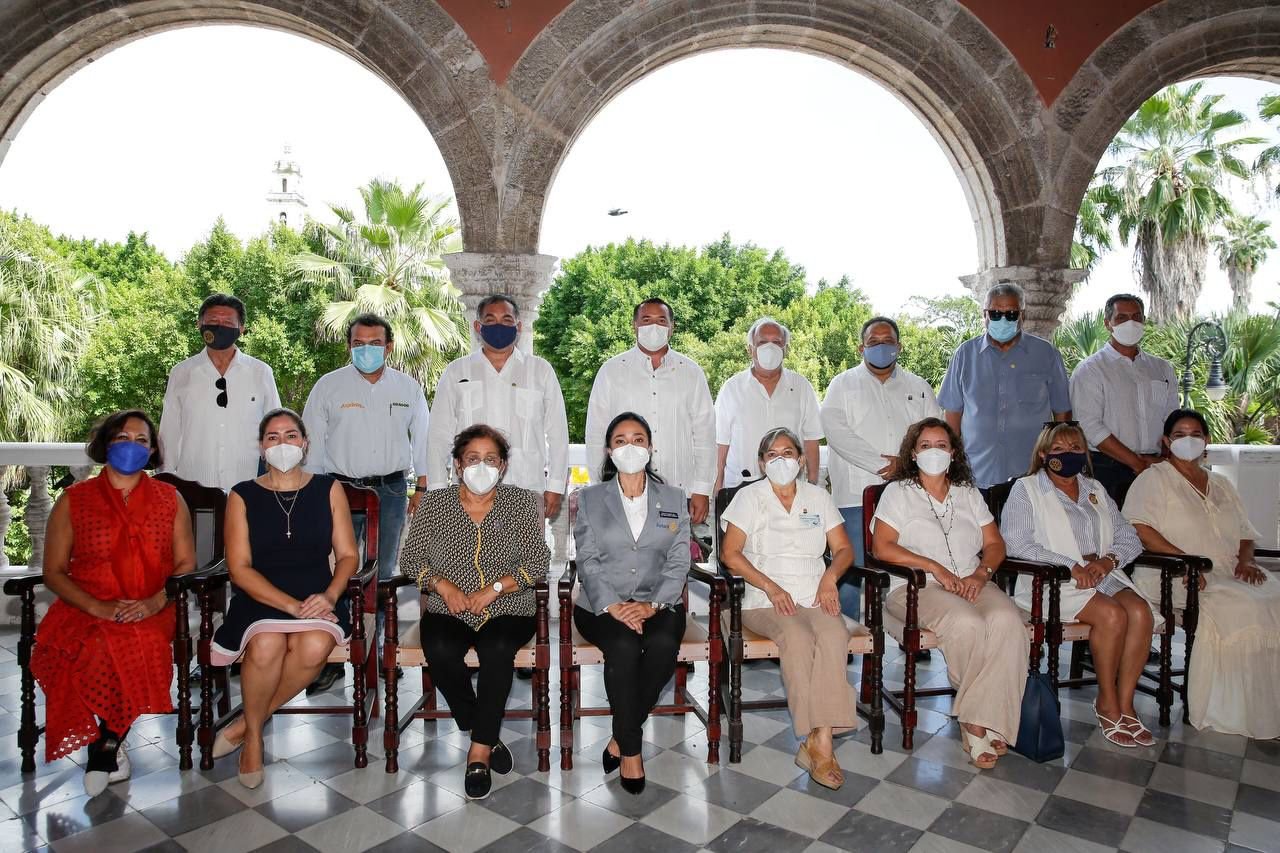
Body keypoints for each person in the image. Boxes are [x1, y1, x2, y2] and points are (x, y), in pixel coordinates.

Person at [31, 410, 195, 796]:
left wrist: (155, 601)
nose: (132, 446)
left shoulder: (170, 499)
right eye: (122, 437)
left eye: (141, 440)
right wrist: (97, 607)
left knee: (137, 641)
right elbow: (53, 571)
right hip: (85, 603)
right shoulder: (74, 500)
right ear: (106, 444)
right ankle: (109, 738)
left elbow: (186, 564)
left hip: (153, 605)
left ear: (152, 451)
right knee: (90, 644)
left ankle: (106, 743)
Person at [207, 409, 360, 788]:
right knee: (266, 645)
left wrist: (330, 595)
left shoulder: (328, 488)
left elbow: (347, 555)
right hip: (259, 596)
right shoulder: (242, 495)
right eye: (272, 437)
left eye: (291, 435)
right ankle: (254, 741)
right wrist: (291, 607)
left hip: (318, 593)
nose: (282, 443)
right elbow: (239, 568)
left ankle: (247, 725)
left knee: (314, 645)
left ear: (305, 444)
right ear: (261, 447)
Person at [399, 424, 550, 800]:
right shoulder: (435, 504)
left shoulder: (520, 502)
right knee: (439, 648)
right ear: (457, 464)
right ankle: (485, 730)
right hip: (448, 607)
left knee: (497, 649)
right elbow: (410, 560)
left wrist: (496, 588)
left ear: (503, 466)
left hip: (509, 607)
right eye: (472, 459)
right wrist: (441, 585)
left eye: (490, 459)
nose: (481, 467)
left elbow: (538, 561)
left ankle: (478, 751)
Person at [871, 417, 1024, 769]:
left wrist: (982, 574)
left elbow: (995, 544)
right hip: (916, 587)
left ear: (953, 453)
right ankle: (976, 723)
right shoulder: (899, 492)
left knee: (1008, 621)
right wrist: (933, 567)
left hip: (972, 580)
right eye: (925, 446)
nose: (934, 452)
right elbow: (882, 547)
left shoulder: (967, 493)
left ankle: (988, 713)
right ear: (913, 453)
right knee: (967, 623)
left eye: (941, 445)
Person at [1123, 409, 1280, 739]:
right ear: (1166, 442)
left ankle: (1268, 704)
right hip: (1172, 574)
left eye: (1196, 434)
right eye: (1180, 435)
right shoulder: (1153, 479)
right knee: (1242, 606)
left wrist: (1247, 561)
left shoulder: (1221, 483)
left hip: (1227, 571)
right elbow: (1140, 529)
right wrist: (1186, 561)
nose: (1189, 441)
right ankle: (1234, 709)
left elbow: (1245, 533)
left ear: (1207, 440)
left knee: (1273, 597)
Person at [1000, 422, 1155, 747]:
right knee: (1112, 614)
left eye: (1075, 448)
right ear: (1043, 455)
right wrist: (1070, 565)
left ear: (1085, 454)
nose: (1068, 455)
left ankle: (1126, 704)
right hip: (1051, 581)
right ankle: (1107, 702)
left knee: (1141, 612)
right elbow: (1016, 543)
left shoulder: (1095, 489)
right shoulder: (1027, 489)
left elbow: (1129, 536)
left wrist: (1108, 561)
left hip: (1101, 574)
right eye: (1058, 449)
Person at [718, 428, 857, 789]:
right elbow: (730, 554)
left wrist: (830, 578)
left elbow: (844, 549)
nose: (781, 460)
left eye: (788, 453)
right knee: (796, 637)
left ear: (801, 459)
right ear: (762, 463)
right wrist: (771, 586)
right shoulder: (749, 498)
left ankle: (819, 739)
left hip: (814, 593)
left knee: (834, 634)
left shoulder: (818, 497)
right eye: (772, 454)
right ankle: (819, 742)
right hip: (763, 596)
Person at [302, 312, 430, 690]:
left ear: (389, 347)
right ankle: (333, 653)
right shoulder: (328, 387)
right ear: (349, 346)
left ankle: (380, 651)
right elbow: (312, 444)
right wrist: (313, 496)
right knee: (335, 571)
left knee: (384, 572)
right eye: (359, 344)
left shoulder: (408, 389)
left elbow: (424, 440)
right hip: (337, 491)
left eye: (375, 344)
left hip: (391, 491)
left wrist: (422, 487)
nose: (367, 350)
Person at [574, 412, 690, 794]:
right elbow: (586, 560)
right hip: (600, 605)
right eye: (620, 441)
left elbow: (679, 561)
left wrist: (653, 605)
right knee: (623, 646)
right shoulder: (590, 499)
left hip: (660, 602)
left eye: (638, 439)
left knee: (663, 644)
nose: (630, 447)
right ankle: (631, 752)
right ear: (609, 451)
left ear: (650, 448)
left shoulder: (673, 498)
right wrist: (613, 605)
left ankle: (619, 736)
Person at [821, 316, 940, 619]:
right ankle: (844, 633)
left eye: (888, 341)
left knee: (910, 566)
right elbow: (836, 432)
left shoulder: (919, 386)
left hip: (909, 495)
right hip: (855, 497)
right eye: (874, 342)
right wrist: (882, 465)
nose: (881, 346)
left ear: (900, 346)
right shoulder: (842, 384)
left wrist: (906, 465)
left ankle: (910, 630)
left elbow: (935, 433)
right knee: (850, 570)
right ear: (861, 348)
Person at [427, 294, 569, 519]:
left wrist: (556, 486)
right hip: (469, 493)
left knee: (527, 544)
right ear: (478, 326)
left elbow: (558, 433)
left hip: (526, 488)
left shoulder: (540, 371)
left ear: (518, 326)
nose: (499, 326)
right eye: (490, 320)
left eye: (506, 320)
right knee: (470, 544)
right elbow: (438, 435)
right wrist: (437, 491)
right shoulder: (456, 371)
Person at [585, 298, 715, 525]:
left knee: (676, 548)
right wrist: (600, 488)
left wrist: (702, 489)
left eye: (661, 321)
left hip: (680, 491)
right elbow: (596, 433)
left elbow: (704, 434)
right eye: (646, 320)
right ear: (634, 325)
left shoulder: (691, 373)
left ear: (672, 327)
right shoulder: (611, 371)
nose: (654, 326)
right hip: (623, 491)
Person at [939, 283, 1072, 488]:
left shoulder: (1046, 354)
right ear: (985, 314)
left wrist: (1057, 460)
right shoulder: (965, 355)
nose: (1002, 320)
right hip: (975, 473)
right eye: (995, 314)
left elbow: (1062, 412)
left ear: (1022, 316)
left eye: (1011, 314)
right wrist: (952, 462)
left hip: (1032, 473)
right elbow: (953, 414)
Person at [158, 292, 281, 490]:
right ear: (199, 324)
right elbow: (169, 433)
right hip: (192, 487)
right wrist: (165, 482)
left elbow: (276, 430)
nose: (220, 326)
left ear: (241, 328)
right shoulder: (181, 373)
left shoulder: (261, 372)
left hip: (250, 487)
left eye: (228, 322)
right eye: (213, 321)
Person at [1069, 293, 1179, 505]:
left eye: (1136, 317)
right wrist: (1136, 462)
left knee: (1154, 524)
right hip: (1108, 469)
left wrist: (1164, 460)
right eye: (1122, 318)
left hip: (1155, 466)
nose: (1131, 323)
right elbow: (1089, 426)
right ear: (1107, 323)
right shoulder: (1090, 370)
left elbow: (1173, 419)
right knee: (1111, 525)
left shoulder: (1162, 368)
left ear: (1144, 321)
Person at [714, 316, 822, 493]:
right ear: (750, 349)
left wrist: (812, 485)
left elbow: (811, 440)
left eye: (777, 342)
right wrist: (717, 490)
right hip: (741, 488)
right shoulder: (732, 388)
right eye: (762, 342)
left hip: (792, 488)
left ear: (785, 349)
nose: (770, 348)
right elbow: (721, 444)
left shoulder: (802, 387)